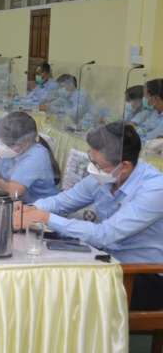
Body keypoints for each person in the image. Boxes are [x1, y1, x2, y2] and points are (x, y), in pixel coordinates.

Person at [18, 122, 163, 309]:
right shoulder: (106, 174)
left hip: (142, 275)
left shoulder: (154, 189)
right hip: (106, 261)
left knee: (63, 295)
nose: (93, 169)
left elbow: (105, 234)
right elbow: (63, 201)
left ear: (124, 166)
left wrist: (45, 218)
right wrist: (28, 210)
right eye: (91, 160)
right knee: (43, 276)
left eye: (98, 165)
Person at [0, 111, 60, 203]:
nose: (3, 146)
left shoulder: (36, 157)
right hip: (19, 201)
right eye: (2, 141)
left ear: (25, 143)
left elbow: (14, 192)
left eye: (7, 144)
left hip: (37, 206)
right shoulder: (14, 150)